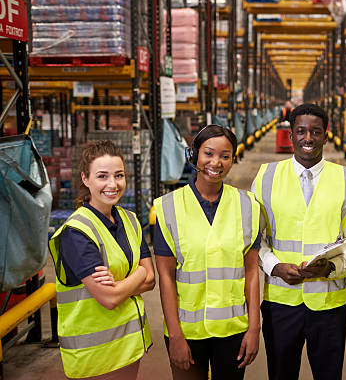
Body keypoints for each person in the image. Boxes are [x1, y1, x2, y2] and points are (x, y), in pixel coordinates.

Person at [252, 103, 346, 380]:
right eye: (301, 131)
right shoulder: (265, 177)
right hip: (281, 301)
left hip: (328, 303)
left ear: (326, 136)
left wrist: (333, 268)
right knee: (281, 374)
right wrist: (275, 267)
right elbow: (255, 240)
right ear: (290, 135)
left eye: (315, 132)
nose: (308, 138)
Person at [154, 125, 261, 380]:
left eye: (225, 156)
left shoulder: (248, 206)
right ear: (194, 156)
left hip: (233, 331)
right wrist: (175, 336)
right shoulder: (168, 208)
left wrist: (254, 328)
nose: (216, 162)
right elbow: (166, 278)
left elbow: (251, 271)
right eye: (209, 154)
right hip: (187, 333)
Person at [49, 140, 155, 379]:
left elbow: (151, 280)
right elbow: (109, 298)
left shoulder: (130, 220)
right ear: (85, 179)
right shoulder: (76, 232)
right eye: (102, 176)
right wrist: (137, 274)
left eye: (119, 175)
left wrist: (123, 284)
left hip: (129, 345)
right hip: (94, 354)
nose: (112, 184)